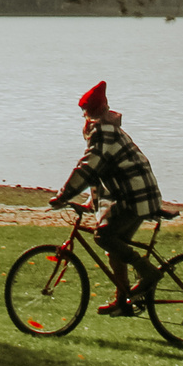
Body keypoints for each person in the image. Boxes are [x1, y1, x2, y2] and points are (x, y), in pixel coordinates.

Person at [47, 80, 165, 315]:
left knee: (103, 236)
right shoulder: (110, 129)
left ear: (90, 114)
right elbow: (104, 171)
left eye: (85, 114)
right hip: (137, 195)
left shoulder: (102, 132)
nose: (85, 119)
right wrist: (90, 203)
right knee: (115, 248)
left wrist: (62, 195)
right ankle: (124, 302)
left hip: (136, 198)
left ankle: (148, 271)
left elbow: (88, 168)